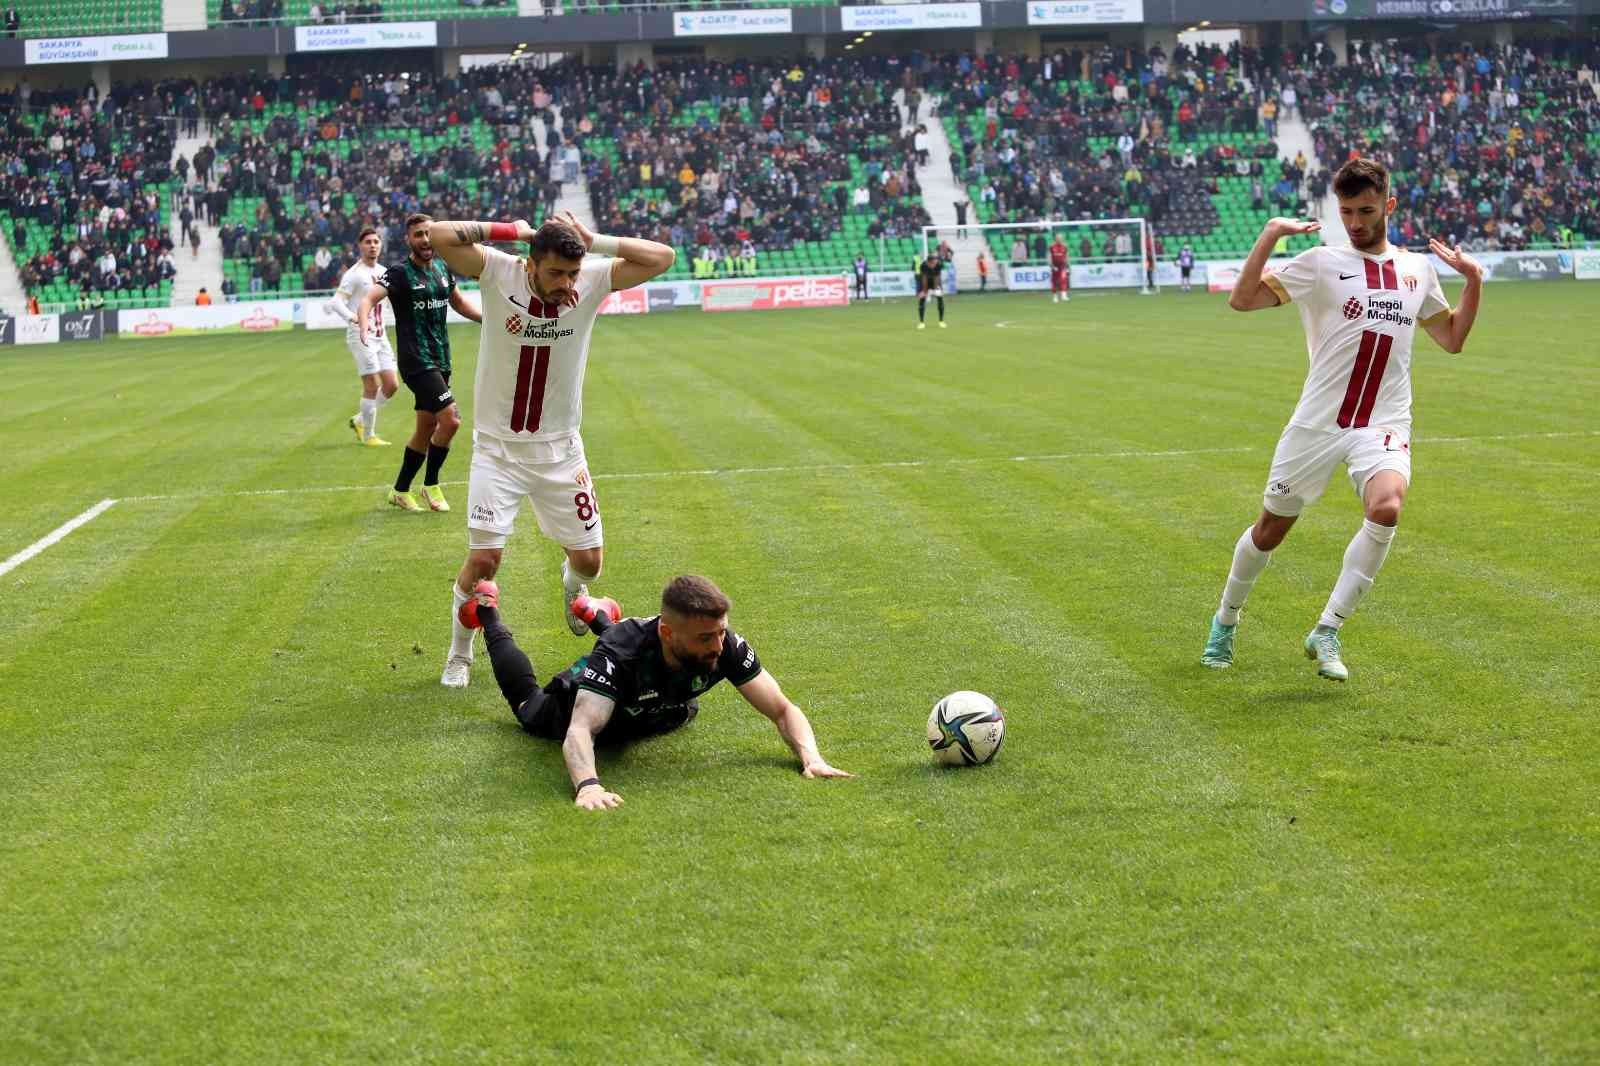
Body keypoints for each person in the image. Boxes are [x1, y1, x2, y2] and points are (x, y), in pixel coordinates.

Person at [1201, 157, 1483, 681]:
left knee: (1388, 506)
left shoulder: (1417, 270)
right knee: (1269, 530)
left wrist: (1474, 280)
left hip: (1384, 422)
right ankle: (1226, 620)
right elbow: (1242, 299)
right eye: (1347, 211)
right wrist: (1269, 235)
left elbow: (1451, 338)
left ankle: (1327, 629)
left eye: (1366, 210)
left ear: (1388, 206)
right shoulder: (1321, 262)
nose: (1355, 222)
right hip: (1318, 424)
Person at [423, 212, 675, 689]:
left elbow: (664, 257)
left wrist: (593, 240)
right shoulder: (499, 271)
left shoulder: (592, 278)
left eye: (572, 273)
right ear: (531, 265)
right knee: (484, 561)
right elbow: (437, 235)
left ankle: (571, 584)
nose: (566, 283)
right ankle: (459, 654)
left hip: (561, 452)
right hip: (498, 452)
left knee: (590, 563)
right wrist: (512, 231)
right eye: (556, 273)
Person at [461, 573, 853, 808]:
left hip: (659, 704)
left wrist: (811, 757)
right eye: (704, 638)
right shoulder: (619, 654)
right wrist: (588, 785)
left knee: (681, 708)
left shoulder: (723, 645)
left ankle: (593, 612)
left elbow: (783, 709)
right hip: (568, 708)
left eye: (720, 632)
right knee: (529, 704)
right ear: (668, 631)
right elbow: (581, 729)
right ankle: (488, 612)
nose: (717, 646)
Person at [357, 213, 483, 513]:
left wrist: (488, 320)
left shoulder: (442, 267)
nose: (425, 240)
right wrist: (362, 321)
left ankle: (400, 490)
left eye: (429, 233)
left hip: (441, 358)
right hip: (416, 360)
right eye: (418, 235)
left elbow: (460, 303)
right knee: (451, 419)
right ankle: (431, 485)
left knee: (426, 427)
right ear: (408, 240)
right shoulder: (400, 273)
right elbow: (368, 299)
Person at [328, 227, 397, 447]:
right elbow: (337, 301)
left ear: (381, 245)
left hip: (381, 334)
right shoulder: (354, 274)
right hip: (361, 335)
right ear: (360, 246)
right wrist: (352, 317)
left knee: (392, 385)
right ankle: (369, 435)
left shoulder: (384, 271)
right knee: (372, 384)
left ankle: (359, 419)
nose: (373, 245)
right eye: (368, 242)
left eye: (376, 241)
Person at [916, 249, 945, 329]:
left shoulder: (938, 265)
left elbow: (938, 277)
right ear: (929, 262)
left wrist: (939, 289)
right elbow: (923, 279)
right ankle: (921, 322)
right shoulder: (923, 266)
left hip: (934, 283)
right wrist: (924, 292)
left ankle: (941, 321)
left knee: (940, 298)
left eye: (936, 260)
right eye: (934, 260)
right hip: (924, 283)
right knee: (922, 299)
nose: (936, 262)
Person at [1048, 232, 1070, 304]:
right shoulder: (1051, 247)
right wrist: (1051, 265)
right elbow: (1049, 257)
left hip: (1062, 266)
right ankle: (1055, 296)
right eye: (1058, 238)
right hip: (1055, 266)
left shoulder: (1065, 247)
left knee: (1063, 279)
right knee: (1054, 281)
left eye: (1061, 238)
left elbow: (1067, 256)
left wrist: (1068, 266)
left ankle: (1064, 295)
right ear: (1056, 239)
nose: (1060, 239)